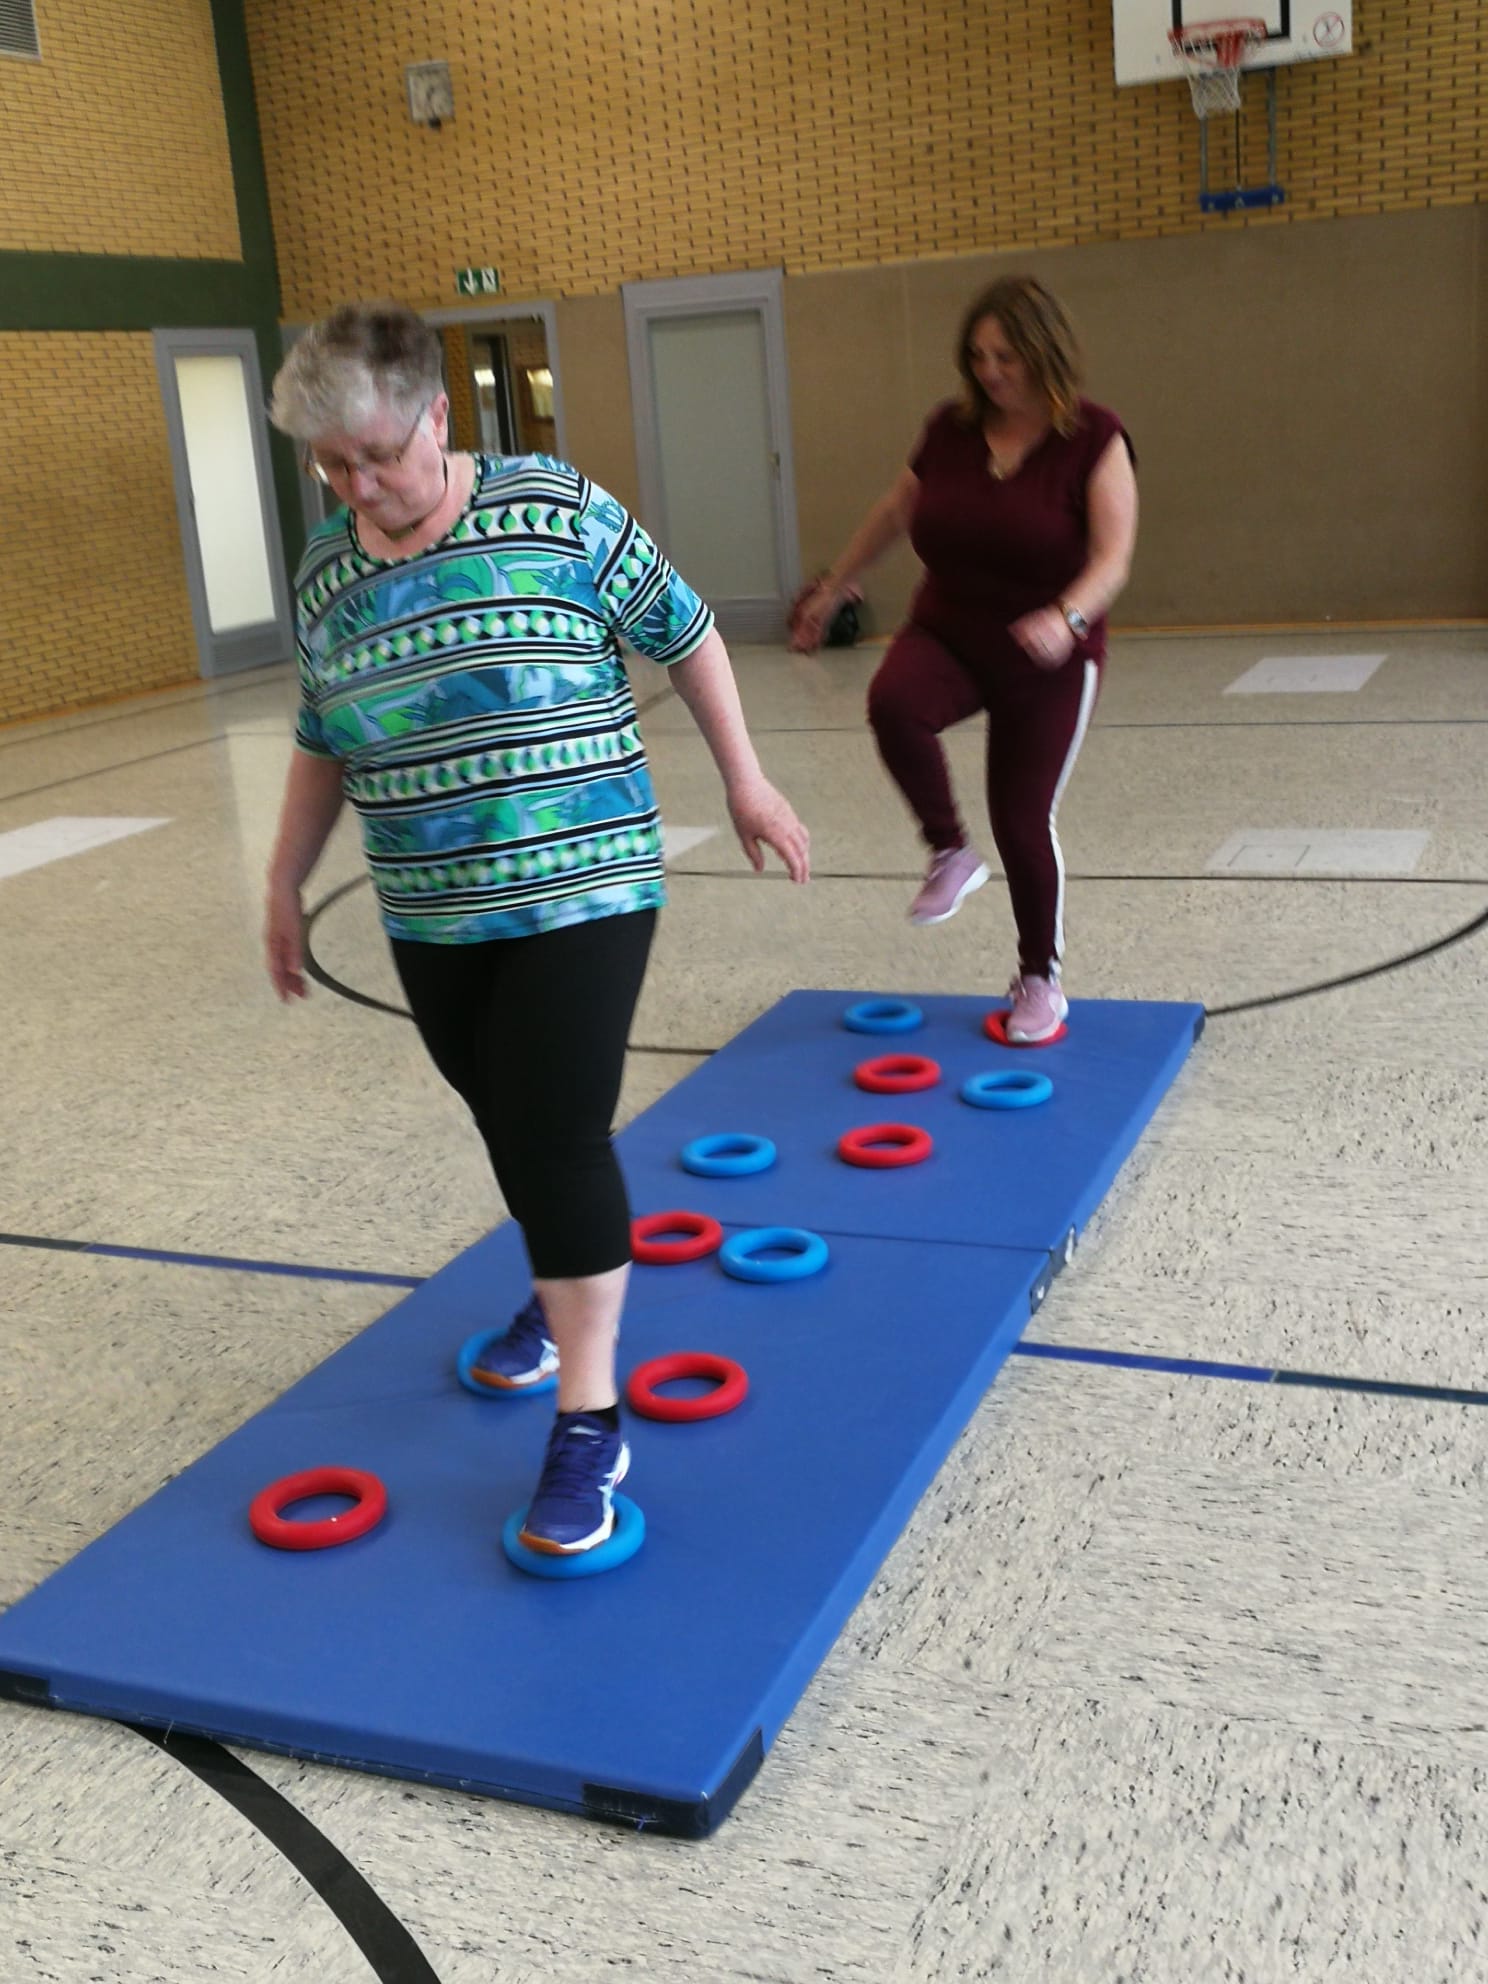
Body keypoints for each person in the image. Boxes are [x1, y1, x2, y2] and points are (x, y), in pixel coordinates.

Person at [264, 303, 809, 1557]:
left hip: (583, 884)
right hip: (429, 908)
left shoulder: (554, 507)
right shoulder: (328, 571)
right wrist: (285, 879)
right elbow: (321, 738)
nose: (357, 485)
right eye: (332, 465)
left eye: (377, 455)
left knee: (554, 1135)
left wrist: (747, 781)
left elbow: (688, 633)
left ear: (438, 416)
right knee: (509, 1118)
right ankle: (561, 1294)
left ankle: (591, 1421)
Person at [791, 275, 1138, 1043]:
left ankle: (1040, 978)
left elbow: (1112, 560)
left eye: (1006, 357)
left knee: (1022, 817)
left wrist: (1067, 616)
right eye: (978, 357)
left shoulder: (1094, 437)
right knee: (893, 704)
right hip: (949, 629)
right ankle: (949, 850)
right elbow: (896, 510)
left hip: (1047, 656)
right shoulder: (950, 430)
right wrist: (836, 583)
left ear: (1044, 353)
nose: (990, 372)